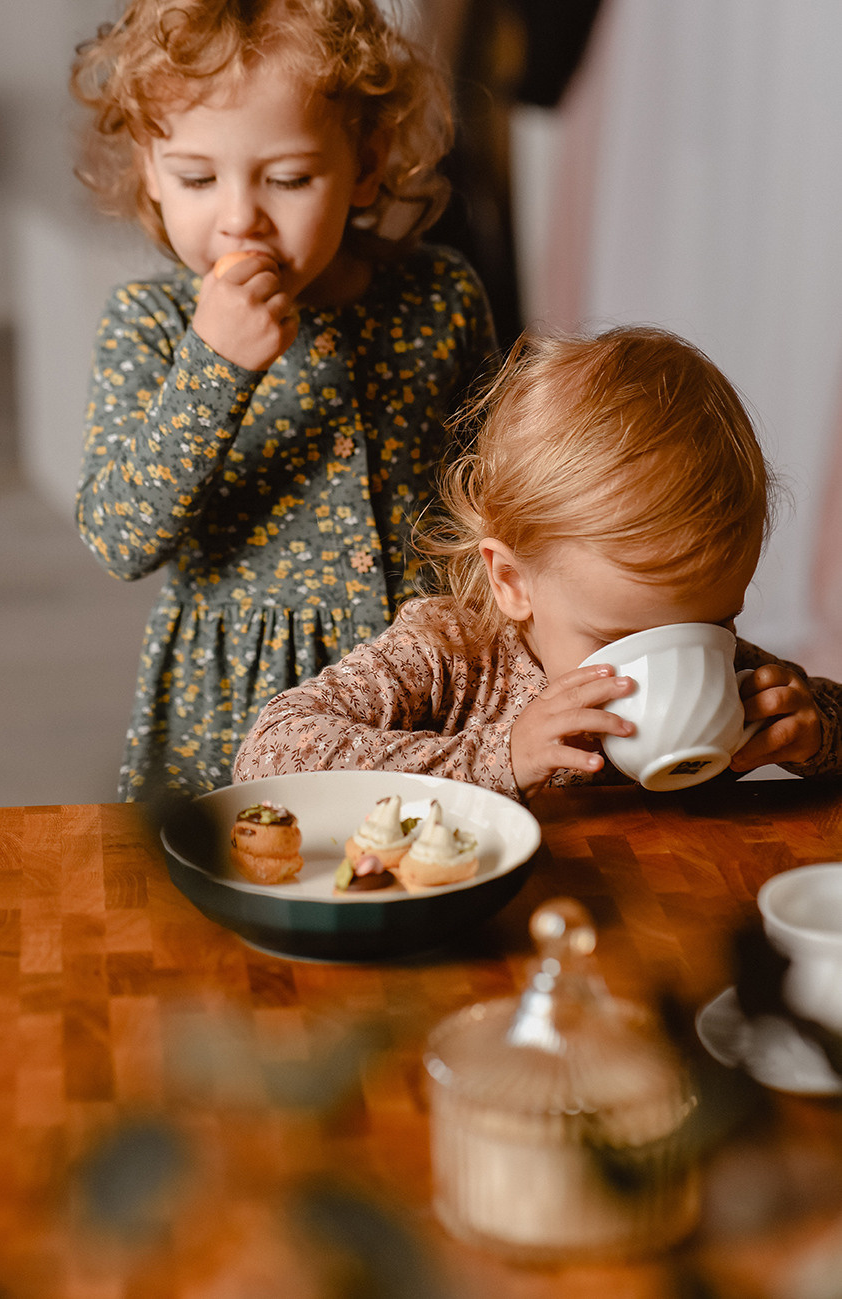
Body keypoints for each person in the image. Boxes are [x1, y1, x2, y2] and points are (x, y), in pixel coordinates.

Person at [70, 0, 496, 800]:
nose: (240, 220)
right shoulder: (151, 324)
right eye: (197, 178)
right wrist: (213, 366)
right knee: (234, 888)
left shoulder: (438, 298)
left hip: (415, 685)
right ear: (150, 172)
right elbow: (118, 536)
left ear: (365, 163)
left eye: (290, 178)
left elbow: (495, 494)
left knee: (419, 867)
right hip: (236, 697)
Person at [234, 325, 842, 800]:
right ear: (512, 582)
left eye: (717, 625)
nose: (677, 659)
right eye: (620, 638)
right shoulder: (453, 655)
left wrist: (816, 733)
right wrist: (502, 757)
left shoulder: (729, 668)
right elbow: (269, 755)